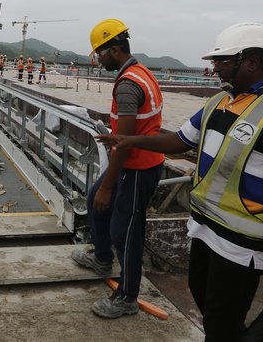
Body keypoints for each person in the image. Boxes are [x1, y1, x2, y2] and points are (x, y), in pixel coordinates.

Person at [97, 22, 263, 341]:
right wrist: (130, 141)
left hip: (242, 246)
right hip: (206, 230)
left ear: (252, 62)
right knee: (208, 303)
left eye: (223, 60)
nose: (214, 67)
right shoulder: (219, 102)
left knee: (220, 320)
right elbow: (180, 141)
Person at [71, 18, 165, 319]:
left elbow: (123, 143)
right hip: (133, 163)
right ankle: (101, 258)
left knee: (125, 232)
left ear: (114, 50)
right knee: (94, 201)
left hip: (138, 168)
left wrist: (110, 185)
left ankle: (127, 297)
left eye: (100, 54)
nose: (98, 60)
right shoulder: (139, 72)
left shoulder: (128, 84)